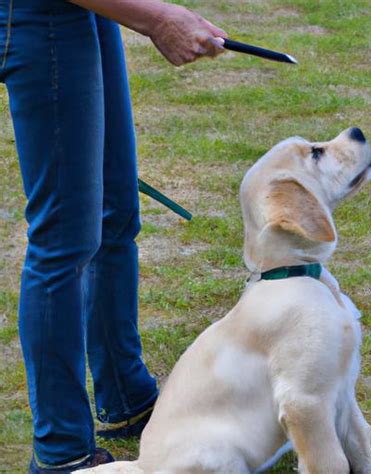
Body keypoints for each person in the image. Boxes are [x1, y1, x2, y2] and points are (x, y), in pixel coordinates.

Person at [0, 0, 227, 471]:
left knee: (114, 215)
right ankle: (61, 451)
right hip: (36, 13)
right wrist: (158, 18)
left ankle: (126, 395)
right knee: (63, 240)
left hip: (85, 11)